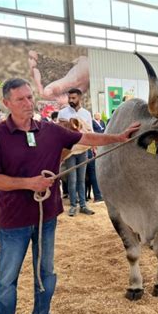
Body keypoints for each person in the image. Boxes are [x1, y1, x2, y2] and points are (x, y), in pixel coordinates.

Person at [0, 78, 140, 314]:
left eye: (30, 97)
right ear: (6, 103)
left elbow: (87, 138)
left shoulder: (50, 130)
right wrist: (28, 184)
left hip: (47, 218)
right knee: (7, 278)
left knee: (46, 272)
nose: (28, 103)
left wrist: (119, 137)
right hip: (13, 221)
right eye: (20, 99)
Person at [58, 88, 95, 217]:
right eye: (69, 98)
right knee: (72, 180)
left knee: (82, 179)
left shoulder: (86, 114)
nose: (71, 100)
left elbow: (90, 132)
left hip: (83, 150)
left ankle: (83, 205)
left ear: (79, 98)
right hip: (70, 151)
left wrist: (93, 146)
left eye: (73, 98)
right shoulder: (62, 113)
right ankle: (73, 205)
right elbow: (59, 132)